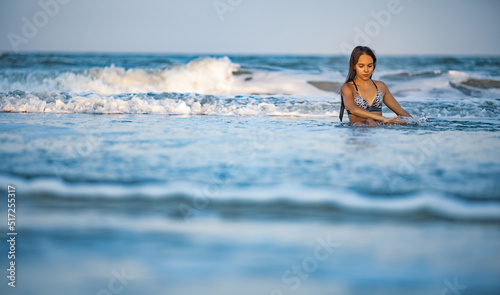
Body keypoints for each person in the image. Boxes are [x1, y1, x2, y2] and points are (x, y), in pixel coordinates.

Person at [339, 46, 411, 126]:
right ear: (354, 66)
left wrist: (416, 122)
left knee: (402, 122)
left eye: (369, 66)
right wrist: (382, 118)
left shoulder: (380, 86)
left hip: (378, 129)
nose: (366, 70)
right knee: (369, 121)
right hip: (359, 131)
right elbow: (353, 109)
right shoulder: (348, 88)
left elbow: (400, 111)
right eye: (361, 66)